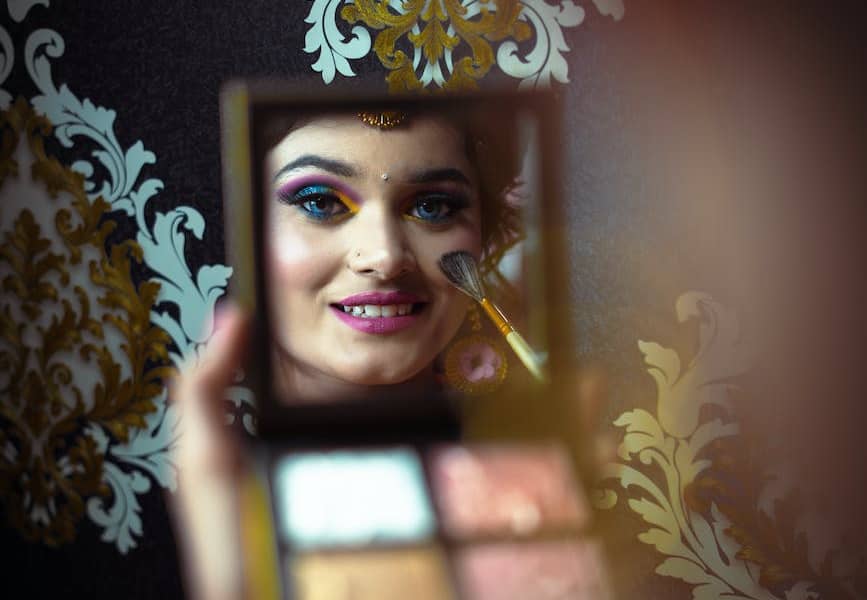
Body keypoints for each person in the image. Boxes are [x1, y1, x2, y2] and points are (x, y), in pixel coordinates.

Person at [170, 107, 610, 599]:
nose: (384, 256)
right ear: (245, 233)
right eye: (319, 202)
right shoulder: (217, 495)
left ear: (482, 244)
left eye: (432, 208)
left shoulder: (532, 482)